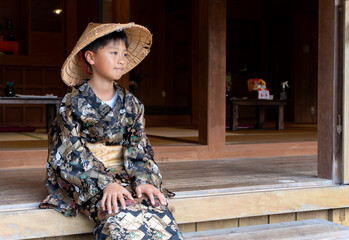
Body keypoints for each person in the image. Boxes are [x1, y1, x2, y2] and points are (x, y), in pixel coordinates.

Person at [40, 22, 183, 240]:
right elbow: (69, 153)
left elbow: (139, 148)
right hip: (88, 179)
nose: (121, 60)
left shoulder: (132, 104)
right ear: (91, 57)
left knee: (156, 208)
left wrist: (143, 180)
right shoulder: (72, 103)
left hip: (126, 175)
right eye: (113, 52)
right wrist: (105, 184)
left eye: (124, 54)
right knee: (119, 210)